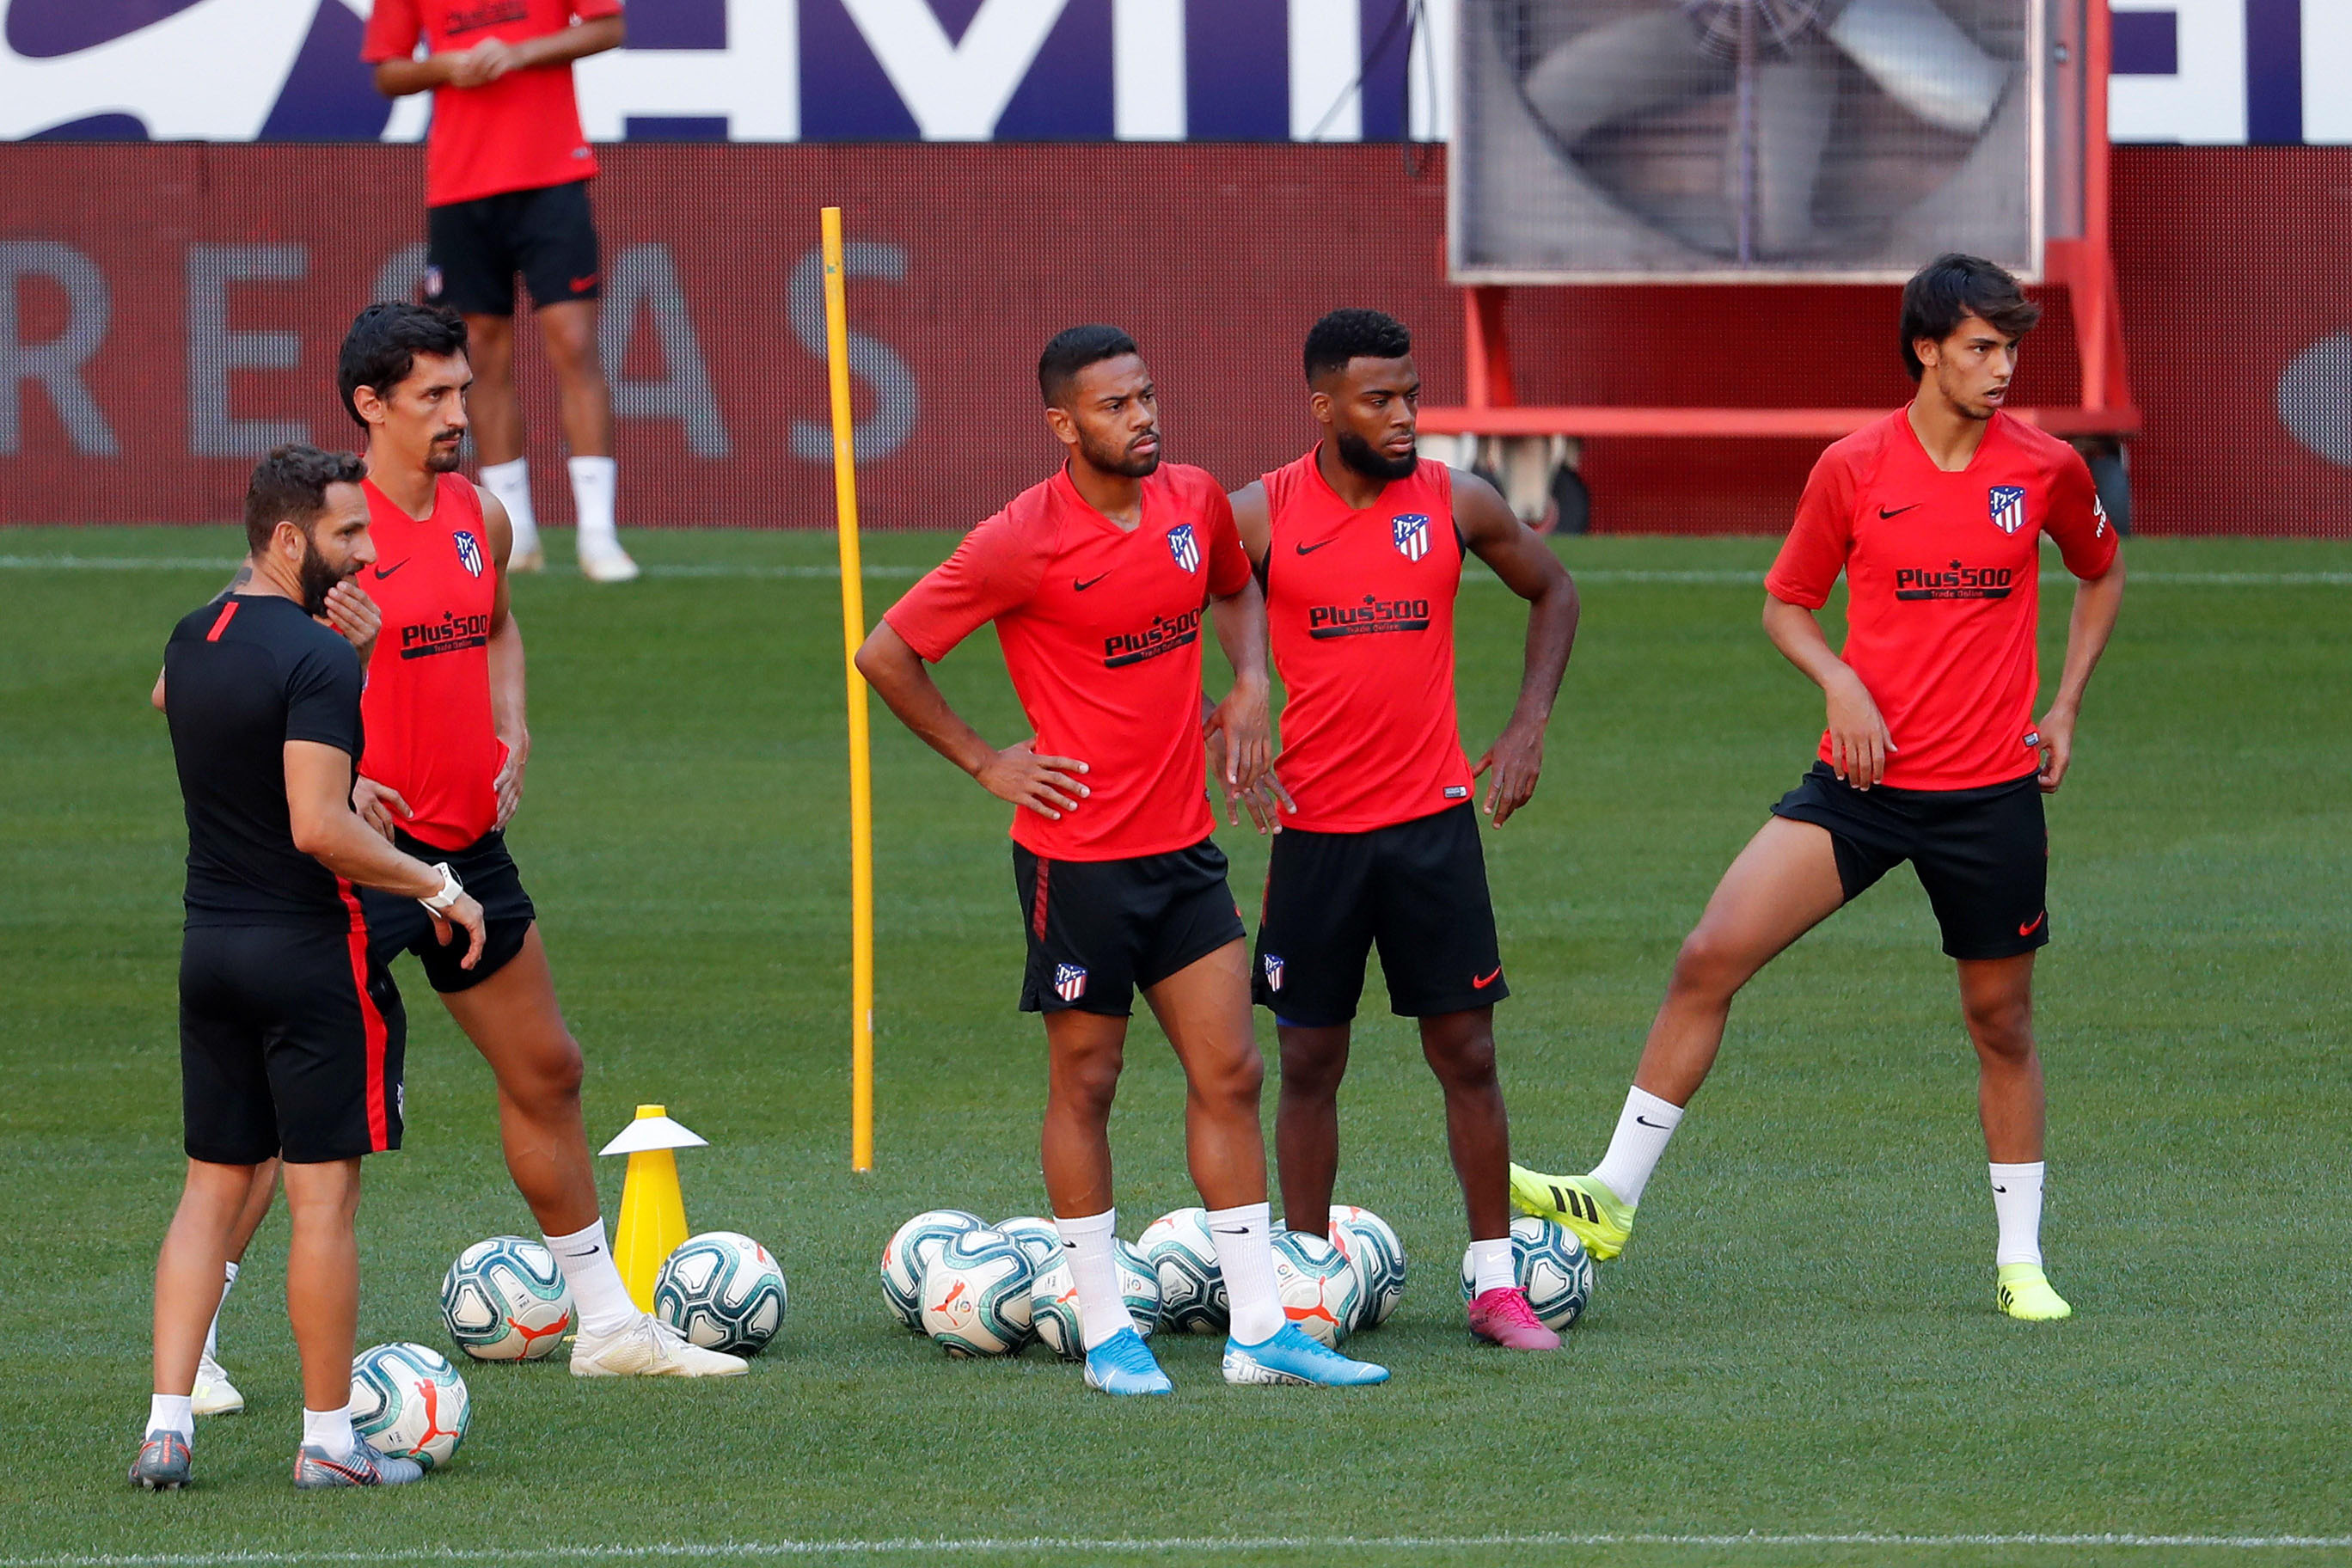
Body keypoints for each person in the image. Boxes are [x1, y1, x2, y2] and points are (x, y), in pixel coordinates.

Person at [1509, 254, 2124, 1321]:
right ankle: (1611, 1196)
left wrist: (2064, 705)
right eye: (1982, 347)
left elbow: (2101, 569)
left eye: (2012, 347)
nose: (2003, 367)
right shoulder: (1853, 467)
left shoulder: (2047, 467)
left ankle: (2021, 1262)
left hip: (1989, 798)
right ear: (1926, 349)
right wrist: (1840, 680)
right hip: (1862, 785)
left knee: (2001, 1021)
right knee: (1710, 955)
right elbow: (1787, 603)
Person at [193, 303, 742, 1384]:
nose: (461, 413)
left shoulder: (476, 514)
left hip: (466, 853)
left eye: (462, 391)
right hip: (351, 870)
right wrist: (337, 783)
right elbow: (197, 683)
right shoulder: (326, 539)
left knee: (548, 1068)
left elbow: (493, 624)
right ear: (370, 406)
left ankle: (610, 1328)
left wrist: (513, 719)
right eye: (434, 396)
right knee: (273, 1136)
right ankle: (198, 1347)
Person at [856, 326, 1388, 1396]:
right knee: (1087, 1081)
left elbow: (1238, 587)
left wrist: (1250, 683)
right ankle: (1105, 1330)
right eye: (1115, 406)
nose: (1142, 418)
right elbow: (888, 651)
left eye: (1146, 397)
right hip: (1078, 863)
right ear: (1064, 424)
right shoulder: (1020, 538)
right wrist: (982, 760)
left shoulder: (1194, 501)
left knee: (1231, 1071)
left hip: (1185, 852)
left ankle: (1258, 1331)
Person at [137, 444, 488, 1490]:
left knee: (211, 1189)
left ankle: (166, 1429)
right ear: (288, 540)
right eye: (347, 536)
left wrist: (334, 784)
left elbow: (180, 705)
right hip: (309, 959)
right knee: (322, 1203)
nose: (368, 555)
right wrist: (435, 884)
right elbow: (316, 830)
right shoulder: (319, 658)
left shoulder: (193, 637)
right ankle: (330, 1443)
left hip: (210, 950)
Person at [1228, 309, 1579, 1351]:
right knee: (1307, 1063)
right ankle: (1302, 1283)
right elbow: (1192, 587)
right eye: (1380, 399)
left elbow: (1553, 588)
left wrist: (1527, 725)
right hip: (1316, 837)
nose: (1405, 416)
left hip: (1432, 828)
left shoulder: (1455, 500)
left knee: (1468, 1053)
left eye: (1412, 395)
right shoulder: (1260, 514)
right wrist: (1244, 692)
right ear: (1323, 406)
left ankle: (1494, 1284)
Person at [363, 0, 637, 582]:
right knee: (479, 354)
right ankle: (515, 531)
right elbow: (388, 70)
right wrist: (447, 67)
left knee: (575, 341)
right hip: (460, 184)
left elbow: (607, 27)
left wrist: (518, 53)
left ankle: (598, 533)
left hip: (553, 176)